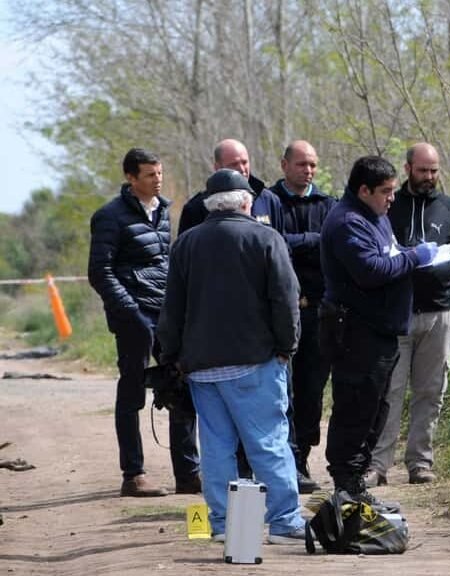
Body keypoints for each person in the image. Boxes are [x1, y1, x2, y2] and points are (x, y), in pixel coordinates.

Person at [157, 169, 306, 544]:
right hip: (255, 362)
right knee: (267, 443)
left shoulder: (186, 244)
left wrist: (171, 356)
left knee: (216, 448)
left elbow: (171, 309)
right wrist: (287, 347)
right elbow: (286, 300)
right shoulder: (266, 238)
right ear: (246, 202)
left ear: (210, 205)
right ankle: (284, 521)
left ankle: (224, 524)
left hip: (202, 369)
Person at [319, 155, 439, 504]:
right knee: (356, 410)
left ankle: (355, 484)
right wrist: (415, 257)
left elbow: (389, 254)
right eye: (385, 191)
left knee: (375, 409)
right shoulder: (348, 222)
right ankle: (346, 485)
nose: (392, 198)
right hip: (356, 334)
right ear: (364, 190)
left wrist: (408, 254)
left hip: (381, 332)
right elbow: (370, 270)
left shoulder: (376, 217)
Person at [87, 148, 200, 497]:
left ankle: (188, 474)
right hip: (132, 316)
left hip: (165, 312)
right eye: (150, 175)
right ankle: (133, 474)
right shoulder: (109, 216)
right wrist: (129, 312)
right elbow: (100, 272)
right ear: (130, 177)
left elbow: (164, 264)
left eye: (160, 173)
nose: (158, 179)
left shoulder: (163, 210)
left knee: (180, 385)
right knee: (132, 391)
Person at [366, 143, 450, 487]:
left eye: (434, 171)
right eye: (423, 170)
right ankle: (377, 465)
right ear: (408, 168)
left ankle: (420, 462)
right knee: (390, 391)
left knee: (431, 391)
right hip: (396, 315)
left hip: (439, 315)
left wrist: (437, 277)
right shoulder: (388, 207)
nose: (429, 177)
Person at [267, 140, 336, 494]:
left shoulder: (328, 205)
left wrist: (296, 242)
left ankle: (302, 456)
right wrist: (312, 239)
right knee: (283, 392)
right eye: (301, 164)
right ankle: (286, 461)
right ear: (284, 165)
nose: (308, 170)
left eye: (312, 165)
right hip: (281, 313)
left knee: (311, 391)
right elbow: (272, 244)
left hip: (319, 312)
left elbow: (333, 245)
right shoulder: (268, 201)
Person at [178, 139, 284, 234]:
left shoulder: (269, 200)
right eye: (234, 164)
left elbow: (280, 244)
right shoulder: (197, 208)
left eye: (244, 162)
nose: (241, 169)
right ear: (217, 167)